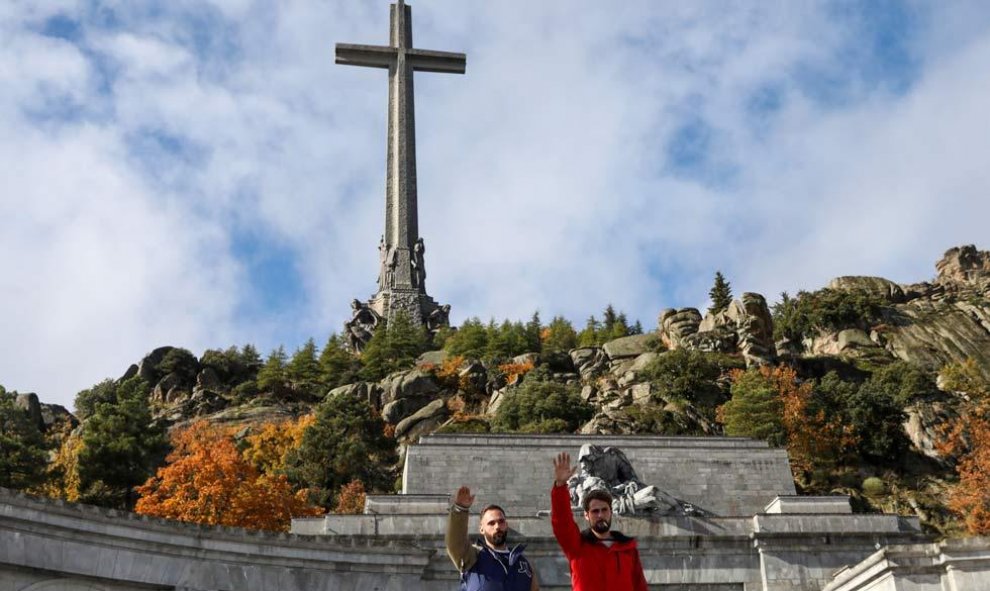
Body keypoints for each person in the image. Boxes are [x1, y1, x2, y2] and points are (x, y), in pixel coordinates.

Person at [551, 452, 648, 591]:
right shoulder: (576, 546)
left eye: (604, 510)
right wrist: (560, 486)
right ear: (586, 515)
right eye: (595, 511)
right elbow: (561, 522)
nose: (600, 515)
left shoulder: (628, 548)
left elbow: (640, 586)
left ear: (611, 512)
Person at [446, 486, 539, 591]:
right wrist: (460, 510)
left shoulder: (523, 563)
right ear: (481, 529)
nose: (497, 527)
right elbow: (455, 542)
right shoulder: (472, 556)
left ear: (506, 525)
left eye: (501, 522)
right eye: (491, 523)